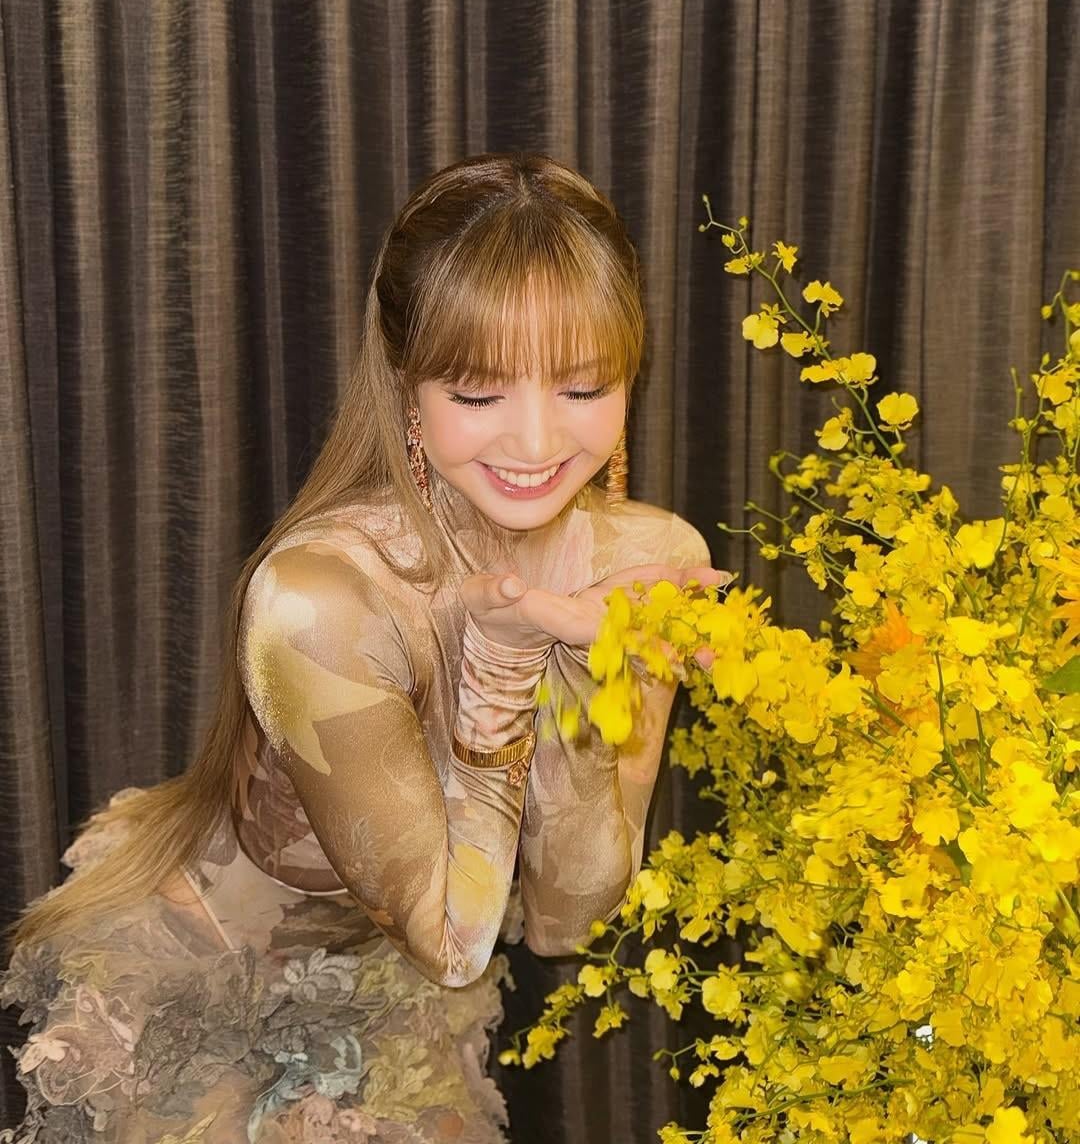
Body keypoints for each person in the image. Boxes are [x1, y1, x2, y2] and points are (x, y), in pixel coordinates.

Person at [1, 152, 726, 1143]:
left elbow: (568, 921)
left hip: (404, 985)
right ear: (406, 388)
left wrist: (581, 666)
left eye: (583, 386)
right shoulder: (319, 596)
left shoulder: (649, 561)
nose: (534, 442)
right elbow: (453, 945)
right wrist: (505, 665)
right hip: (213, 988)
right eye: (478, 394)